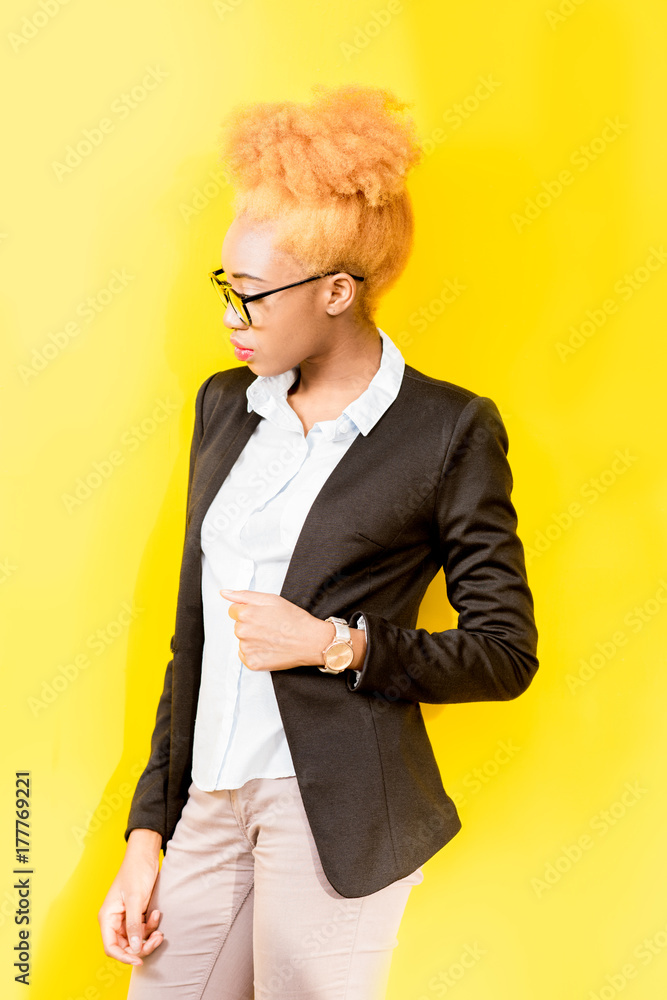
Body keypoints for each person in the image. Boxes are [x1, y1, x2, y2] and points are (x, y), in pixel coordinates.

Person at [97, 83, 539, 999]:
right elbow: (197, 641)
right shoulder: (228, 405)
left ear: (338, 290)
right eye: (226, 287)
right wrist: (148, 837)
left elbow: (504, 654)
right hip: (209, 806)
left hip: (334, 812)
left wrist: (337, 645)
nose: (229, 316)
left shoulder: (447, 430)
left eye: (251, 294)